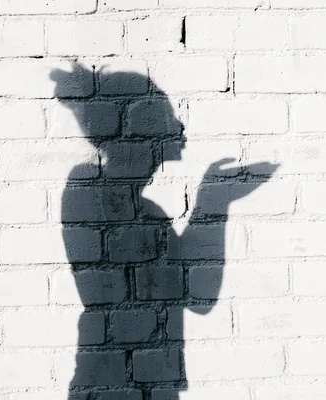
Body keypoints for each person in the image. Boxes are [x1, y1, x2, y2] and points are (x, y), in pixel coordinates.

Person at [51, 64, 277, 399]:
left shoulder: (150, 215)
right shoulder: (88, 188)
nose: (180, 125)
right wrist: (210, 203)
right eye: (170, 115)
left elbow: (200, 300)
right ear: (138, 125)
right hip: (111, 385)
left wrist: (213, 202)